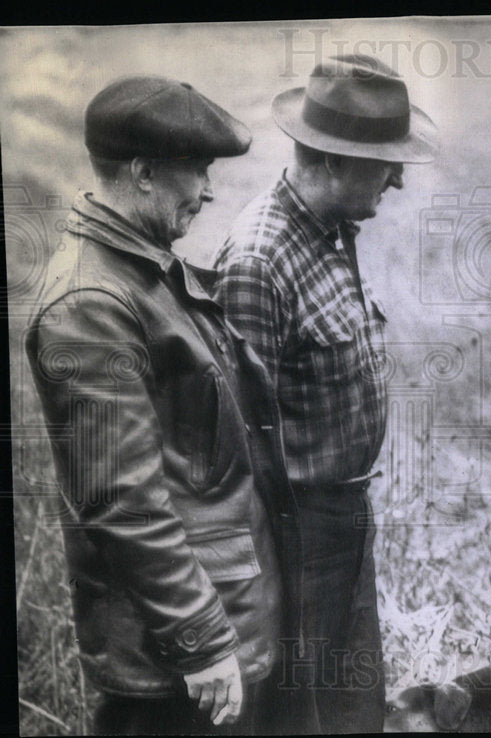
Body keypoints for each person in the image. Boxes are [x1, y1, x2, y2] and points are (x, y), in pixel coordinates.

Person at [25, 75, 303, 735]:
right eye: (198, 170)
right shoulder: (92, 304)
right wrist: (201, 640)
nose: (208, 191)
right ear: (144, 172)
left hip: (209, 624)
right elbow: (124, 501)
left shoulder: (142, 270)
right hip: (171, 665)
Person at [213, 54, 438, 732]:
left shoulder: (336, 231)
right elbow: (239, 449)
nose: (397, 179)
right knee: (297, 713)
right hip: (294, 534)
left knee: (352, 706)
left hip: (345, 516)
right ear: (334, 162)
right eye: (385, 162)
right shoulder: (259, 261)